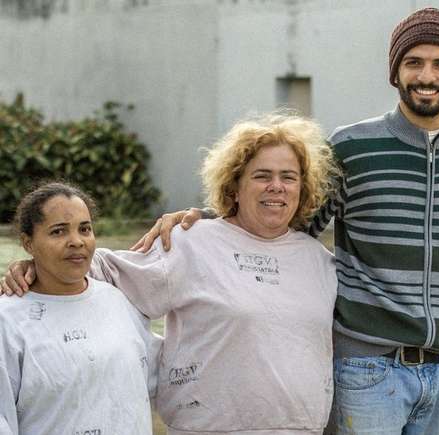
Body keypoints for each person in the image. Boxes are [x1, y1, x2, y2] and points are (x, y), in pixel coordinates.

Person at [123, 8, 439, 434]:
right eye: (414, 62)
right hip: (367, 365)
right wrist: (214, 217)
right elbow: (293, 220)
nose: (426, 75)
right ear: (395, 72)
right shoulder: (351, 147)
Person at [2, 114, 340, 434]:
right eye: (262, 175)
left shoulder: (319, 262)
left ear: (303, 188)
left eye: (289, 177)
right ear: (234, 185)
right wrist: (35, 265)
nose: (276, 186)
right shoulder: (191, 242)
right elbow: (104, 269)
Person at [0, 182, 159, 435]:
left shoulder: (117, 301)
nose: (76, 241)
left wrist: (198, 220)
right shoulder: (8, 320)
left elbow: (160, 373)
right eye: (58, 232)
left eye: (84, 229)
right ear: (28, 243)